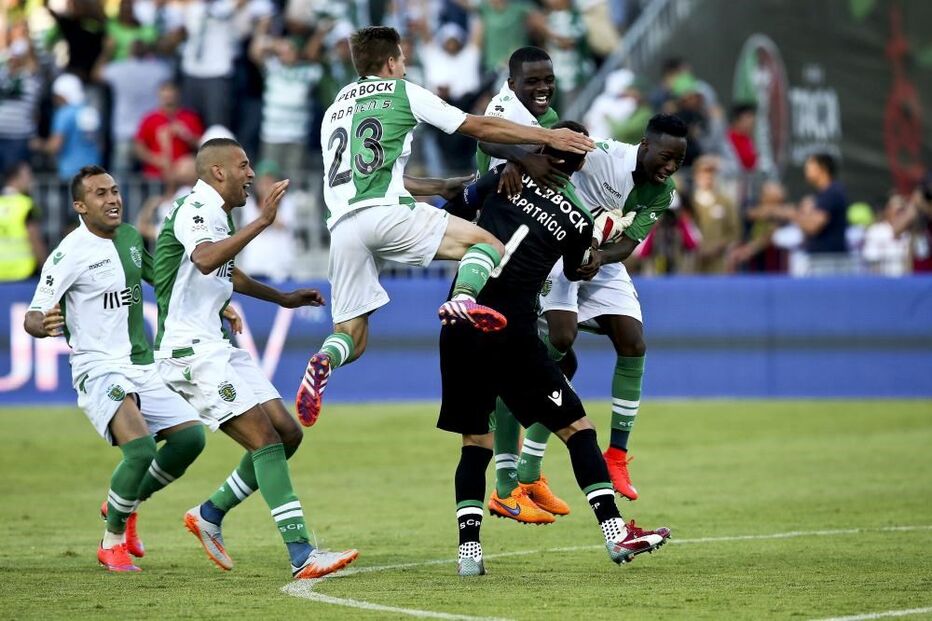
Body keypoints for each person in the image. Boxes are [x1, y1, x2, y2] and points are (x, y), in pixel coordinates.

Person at [294, 26, 594, 428]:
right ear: (390, 62)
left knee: (353, 334)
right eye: (401, 60)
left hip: (344, 227)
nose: (403, 66)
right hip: (387, 213)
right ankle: (465, 298)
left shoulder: (334, 109)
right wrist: (546, 135)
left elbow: (371, 173)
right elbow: (479, 127)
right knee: (487, 245)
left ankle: (325, 358)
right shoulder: (402, 92)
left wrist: (439, 186)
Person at [437, 122, 671, 576]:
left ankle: (469, 554)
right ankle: (615, 534)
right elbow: (578, 270)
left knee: (474, 442)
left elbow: (455, 206)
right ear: (579, 164)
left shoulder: (503, 177)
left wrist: (504, 174)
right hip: (514, 333)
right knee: (578, 430)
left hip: (461, 322)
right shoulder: (578, 220)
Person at [153, 137, 358, 580]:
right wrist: (264, 221)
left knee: (287, 433)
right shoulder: (196, 210)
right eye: (243, 166)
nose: (250, 174)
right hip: (190, 352)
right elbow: (206, 259)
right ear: (218, 172)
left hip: (216, 344)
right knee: (264, 440)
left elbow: (227, 271)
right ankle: (302, 554)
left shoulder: (217, 214)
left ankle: (209, 513)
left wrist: (281, 298)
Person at [23, 165, 209, 572]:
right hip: (98, 368)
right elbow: (34, 312)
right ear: (80, 206)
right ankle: (112, 543)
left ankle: (125, 504)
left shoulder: (127, 237)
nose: (112, 200)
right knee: (140, 450)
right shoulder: (69, 253)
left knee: (192, 438)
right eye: (100, 194)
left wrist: (216, 303)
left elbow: (160, 280)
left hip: (142, 363)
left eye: (114, 191)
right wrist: (42, 324)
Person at [515, 114, 687, 501]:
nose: (670, 166)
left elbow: (628, 245)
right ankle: (529, 463)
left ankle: (618, 457)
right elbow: (555, 155)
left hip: (601, 259)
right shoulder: (603, 155)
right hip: (556, 252)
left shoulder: (663, 192)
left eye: (678, 160)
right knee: (560, 343)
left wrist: (599, 258)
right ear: (644, 146)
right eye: (665, 156)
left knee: (633, 341)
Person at [474, 46, 572, 523]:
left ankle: (523, 476)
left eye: (548, 79)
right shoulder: (502, 107)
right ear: (512, 82)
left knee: (559, 355)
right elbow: (490, 140)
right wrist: (520, 158)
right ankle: (510, 483)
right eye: (533, 80)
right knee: (521, 364)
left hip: (529, 243)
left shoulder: (549, 116)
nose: (542, 88)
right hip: (495, 244)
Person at [135, 81, 203, 180]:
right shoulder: (149, 118)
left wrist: (186, 135)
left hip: (184, 174)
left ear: (178, 95)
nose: (168, 98)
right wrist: (156, 160)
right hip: (155, 174)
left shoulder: (190, 117)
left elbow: (201, 144)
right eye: (165, 95)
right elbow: (139, 147)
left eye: (171, 94)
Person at [0, 162, 46, 281]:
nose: (31, 180)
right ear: (15, 178)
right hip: (24, 273)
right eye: (27, 176)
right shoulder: (26, 205)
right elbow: (35, 240)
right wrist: (46, 268)